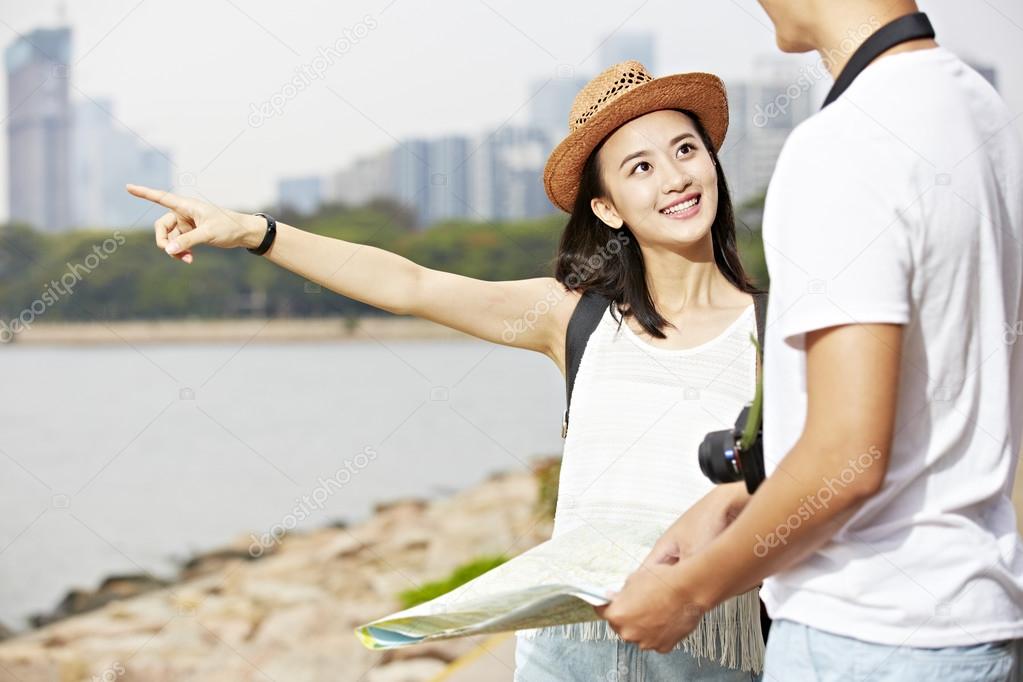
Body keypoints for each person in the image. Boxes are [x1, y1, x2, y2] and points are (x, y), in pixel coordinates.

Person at [127, 60, 767, 680]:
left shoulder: (780, 329)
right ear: (607, 208)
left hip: (713, 653)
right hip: (572, 657)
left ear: (711, 162)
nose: (674, 179)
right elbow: (410, 284)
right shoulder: (574, 319)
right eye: (641, 167)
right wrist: (252, 232)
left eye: (686, 151)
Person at [598, 2, 1023, 680]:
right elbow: (939, 400)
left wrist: (686, 592)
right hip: (970, 622)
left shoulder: (845, 143)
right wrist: (737, 500)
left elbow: (849, 459)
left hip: (862, 637)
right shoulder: (981, 110)